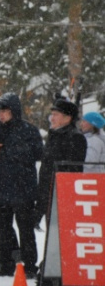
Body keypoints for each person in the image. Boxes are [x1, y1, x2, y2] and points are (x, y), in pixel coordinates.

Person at [0, 93, 44, 278]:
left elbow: (38, 153)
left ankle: (30, 267)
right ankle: (6, 264)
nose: (1, 114)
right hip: (0, 189)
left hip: (23, 188)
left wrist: (9, 150)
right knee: (2, 229)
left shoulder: (29, 130)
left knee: (26, 230)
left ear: (14, 111)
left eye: (5, 111)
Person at [37, 97, 86, 226]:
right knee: (52, 231)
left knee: (62, 231)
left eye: (55, 115)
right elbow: (46, 166)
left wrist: (62, 192)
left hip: (63, 195)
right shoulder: (54, 135)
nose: (51, 118)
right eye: (52, 114)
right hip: (48, 194)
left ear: (67, 118)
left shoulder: (75, 137)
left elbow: (73, 170)